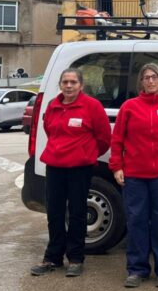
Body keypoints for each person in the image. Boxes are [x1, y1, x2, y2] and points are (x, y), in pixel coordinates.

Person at [109, 63, 158, 288]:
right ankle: (137, 269)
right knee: (137, 221)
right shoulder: (129, 107)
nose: (150, 81)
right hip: (135, 174)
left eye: (154, 77)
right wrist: (117, 167)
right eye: (146, 77)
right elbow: (117, 140)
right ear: (141, 83)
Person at [31, 68, 111, 277]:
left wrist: (87, 153)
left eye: (73, 82)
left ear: (81, 85)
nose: (69, 86)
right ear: (60, 85)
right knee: (54, 212)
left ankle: (75, 258)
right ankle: (53, 257)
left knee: (77, 213)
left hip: (79, 167)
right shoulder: (53, 105)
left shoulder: (92, 106)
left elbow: (103, 138)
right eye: (65, 82)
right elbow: (49, 130)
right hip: (55, 166)